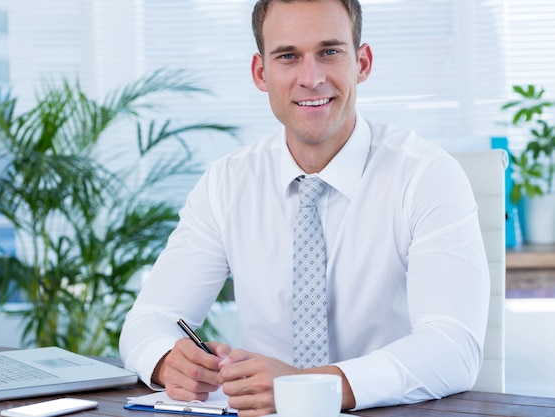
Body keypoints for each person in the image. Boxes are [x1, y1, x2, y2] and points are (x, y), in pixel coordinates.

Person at [119, 0, 490, 415]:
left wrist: (311, 389)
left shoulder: (427, 176)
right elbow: (149, 319)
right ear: (261, 73)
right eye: (288, 56)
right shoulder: (228, 182)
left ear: (362, 63)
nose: (311, 78)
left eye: (329, 52)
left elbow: (454, 348)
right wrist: (170, 361)